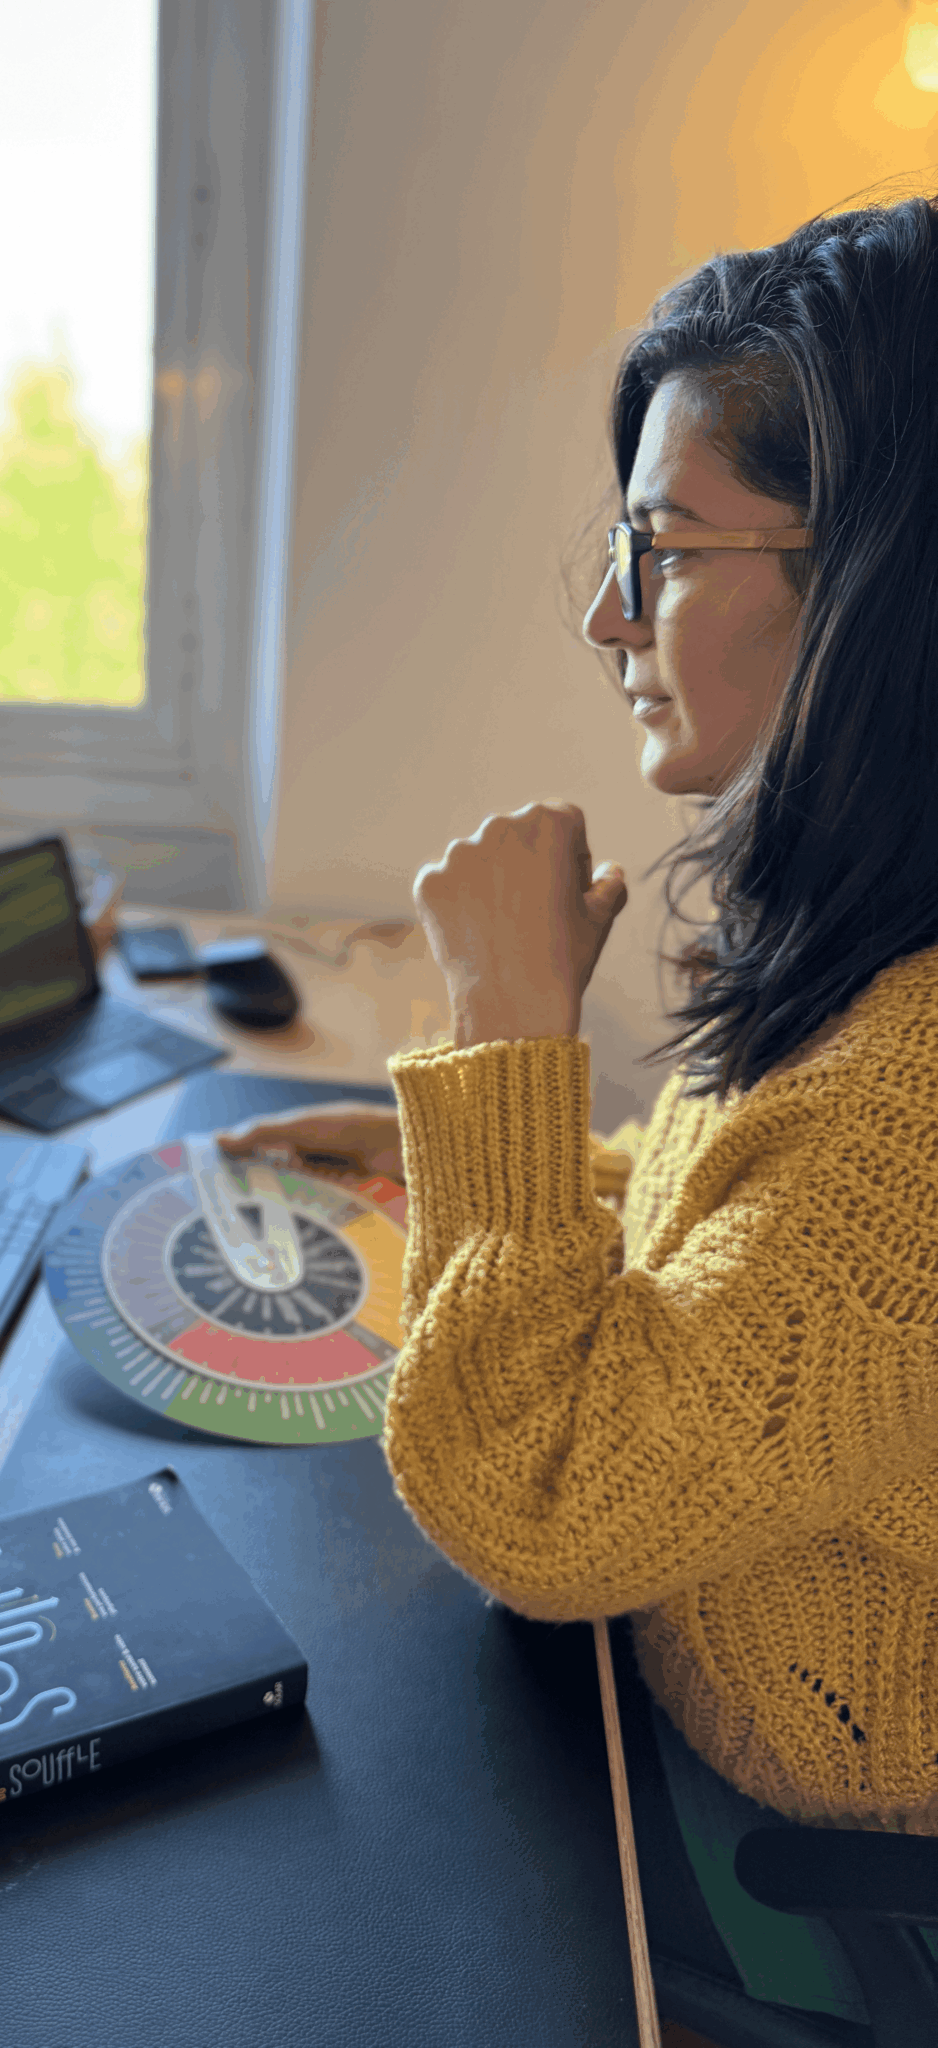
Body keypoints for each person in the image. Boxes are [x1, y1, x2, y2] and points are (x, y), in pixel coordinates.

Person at [222, 195, 938, 1835]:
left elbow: (539, 1508)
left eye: (663, 551)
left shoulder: (916, 1102)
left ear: (879, 583)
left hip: (756, 1841)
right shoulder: (876, 952)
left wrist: (503, 1027)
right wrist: (466, 1151)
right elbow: (749, 1249)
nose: (613, 616)